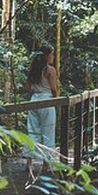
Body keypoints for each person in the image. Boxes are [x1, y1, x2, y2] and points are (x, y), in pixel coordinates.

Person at [24, 45, 59, 177]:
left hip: (33, 101)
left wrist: (36, 89)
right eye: (51, 54)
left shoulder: (33, 70)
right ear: (46, 56)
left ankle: (29, 162)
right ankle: (46, 163)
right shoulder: (50, 70)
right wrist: (55, 100)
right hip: (47, 101)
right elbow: (54, 89)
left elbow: (27, 88)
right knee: (48, 131)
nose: (53, 57)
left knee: (32, 130)